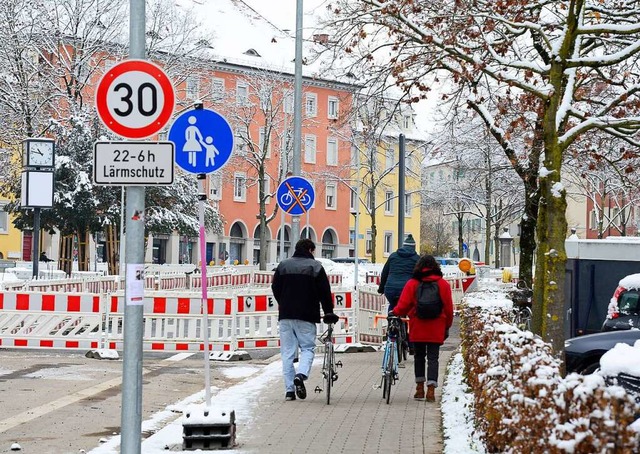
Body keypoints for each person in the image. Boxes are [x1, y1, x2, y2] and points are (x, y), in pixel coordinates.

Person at [271, 238, 338, 401]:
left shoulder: (283, 265)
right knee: (307, 348)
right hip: (307, 315)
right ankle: (300, 376)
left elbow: (275, 287)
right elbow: (324, 292)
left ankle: (289, 391)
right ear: (310, 250)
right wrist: (328, 311)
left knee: (287, 353)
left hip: (286, 315)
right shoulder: (315, 267)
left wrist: (284, 303)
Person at [390, 254, 454, 402]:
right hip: (436, 326)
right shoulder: (443, 284)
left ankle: (419, 388)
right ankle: (431, 390)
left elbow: (404, 304)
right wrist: (447, 325)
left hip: (418, 325)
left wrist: (396, 312)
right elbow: (449, 309)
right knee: (433, 358)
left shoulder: (412, 283)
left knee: (419, 356)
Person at [377, 233, 420, 312]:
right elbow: (420, 276)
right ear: (414, 247)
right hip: (407, 289)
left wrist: (381, 289)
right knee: (409, 308)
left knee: (393, 305)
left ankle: (391, 320)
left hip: (390, 288)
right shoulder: (417, 259)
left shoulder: (393, 256)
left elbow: (385, 273)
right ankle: (406, 322)